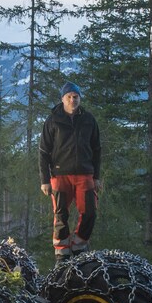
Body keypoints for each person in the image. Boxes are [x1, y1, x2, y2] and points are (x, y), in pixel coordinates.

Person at [39, 81, 101, 259]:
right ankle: (62, 251)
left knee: (89, 212)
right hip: (59, 175)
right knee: (60, 214)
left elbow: (97, 149)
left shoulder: (89, 120)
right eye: (69, 97)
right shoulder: (53, 120)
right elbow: (43, 151)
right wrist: (44, 180)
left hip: (85, 173)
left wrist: (96, 176)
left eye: (76, 97)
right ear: (63, 99)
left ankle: (79, 246)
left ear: (79, 99)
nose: (73, 100)